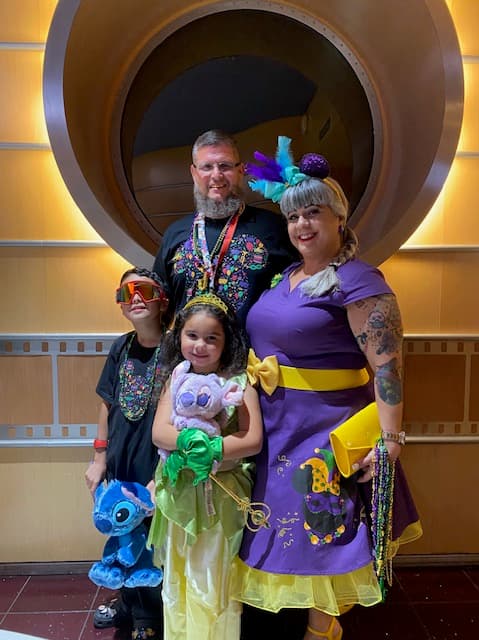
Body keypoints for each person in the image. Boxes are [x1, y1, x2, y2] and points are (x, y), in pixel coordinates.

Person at [232, 137, 422, 640]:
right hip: (276, 429)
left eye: (314, 213)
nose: (302, 226)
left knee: (324, 541)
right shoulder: (285, 277)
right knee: (287, 540)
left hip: (328, 433)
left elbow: (388, 369)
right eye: (294, 217)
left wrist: (389, 443)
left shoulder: (360, 280)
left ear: (339, 218)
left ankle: (322, 634)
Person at [148, 293, 263, 640]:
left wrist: (214, 448)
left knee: (214, 581)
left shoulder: (240, 384)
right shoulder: (175, 379)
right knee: (177, 580)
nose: (200, 345)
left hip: (221, 499)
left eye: (212, 338)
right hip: (178, 497)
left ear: (226, 341)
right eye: (192, 336)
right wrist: (185, 443)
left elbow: (252, 438)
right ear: (179, 336)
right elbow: (159, 432)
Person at [85, 266, 169, 640]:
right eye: (126, 292)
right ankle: (127, 601)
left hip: (155, 465)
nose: (135, 297)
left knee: (152, 543)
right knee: (121, 536)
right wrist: (99, 458)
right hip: (120, 463)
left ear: (161, 300)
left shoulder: (176, 348)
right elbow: (106, 403)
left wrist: (165, 472)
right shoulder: (121, 347)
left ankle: (148, 616)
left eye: (144, 290)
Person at [152, 129, 297, 326]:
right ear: (194, 173)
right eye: (207, 167)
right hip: (189, 355)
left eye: (225, 166)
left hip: (257, 356)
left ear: (240, 171)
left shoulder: (275, 228)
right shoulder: (174, 233)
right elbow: (160, 308)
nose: (216, 175)